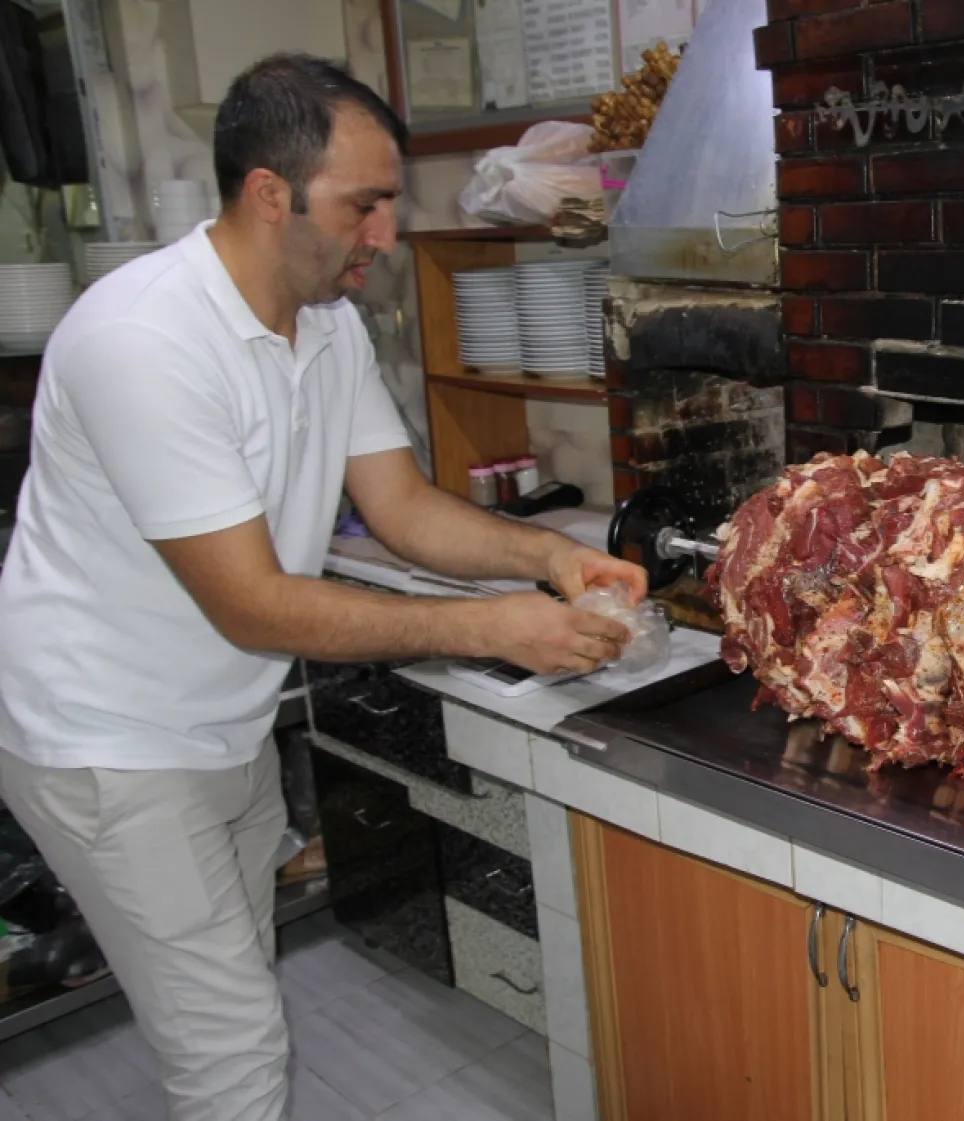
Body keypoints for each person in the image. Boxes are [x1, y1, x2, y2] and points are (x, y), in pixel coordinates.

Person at [0, 53, 646, 1121]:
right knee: (234, 1049)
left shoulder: (325, 323)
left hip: (216, 716)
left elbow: (399, 507)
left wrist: (547, 559)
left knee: (230, 971)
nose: (385, 234)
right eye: (366, 204)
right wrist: (491, 626)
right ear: (268, 194)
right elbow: (250, 602)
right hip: (104, 736)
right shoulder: (144, 341)